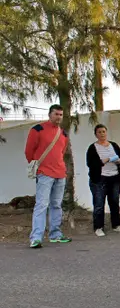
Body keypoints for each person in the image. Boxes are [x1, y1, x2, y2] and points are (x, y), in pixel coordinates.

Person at [24, 104, 72, 248]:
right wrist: (39, 167)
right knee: (42, 204)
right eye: (56, 114)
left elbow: (61, 153)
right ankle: (36, 237)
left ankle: (55, 234)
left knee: (56, 204)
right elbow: (29, 151)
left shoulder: (63, 134)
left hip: (60, 173)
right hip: (44, 173)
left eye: (61, 115)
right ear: (50, 114)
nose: (58, 117)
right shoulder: (37, 129)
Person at [86, 124, 120, 237]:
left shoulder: (113, 145)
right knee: (99, 203)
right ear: (96, 134)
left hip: (114, 177)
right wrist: (104, 160)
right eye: (99, 132)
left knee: (114, 201)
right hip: (100, 178)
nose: (102, 134)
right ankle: (98, 227)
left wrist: (118, 161)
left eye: (103, 131)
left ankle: (116, 225)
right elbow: (90, 163)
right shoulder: (92, 147)